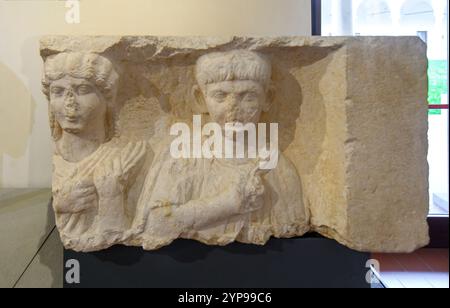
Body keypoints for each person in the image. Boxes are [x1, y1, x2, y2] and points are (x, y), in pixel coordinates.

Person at [132, 50, 309, 250]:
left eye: (248, 96)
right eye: (220, 96)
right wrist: (225, 204)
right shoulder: (183, 157)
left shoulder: (280, 170)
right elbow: (156, 225)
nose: (233, 107)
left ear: (267, 97)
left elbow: (293, 226)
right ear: (200, 98)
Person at [42, 52, 146, 251]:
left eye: (82, 89)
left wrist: (111, 195)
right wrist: (61, 205)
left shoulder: (127, 155)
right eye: (58, 91)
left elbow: (118, 229)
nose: (69, 102)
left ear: (107, 98)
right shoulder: (58, 157)